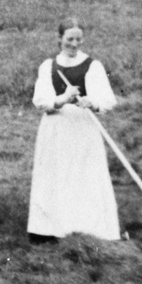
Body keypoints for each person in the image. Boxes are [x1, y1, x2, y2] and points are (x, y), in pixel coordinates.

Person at [27, 17, 121, 243]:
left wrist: (92, 102)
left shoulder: (93, 66)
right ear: (59, 39)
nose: (74, 44)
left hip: (82, 128)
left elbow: (108, 100)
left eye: (79, 39)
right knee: (55, 175)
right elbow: (41, 100)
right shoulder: (48, 66)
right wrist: (62, 99)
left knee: (83, 175)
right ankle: (48, 230)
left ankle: (89, 229)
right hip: (56, 128)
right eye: (69, 39)